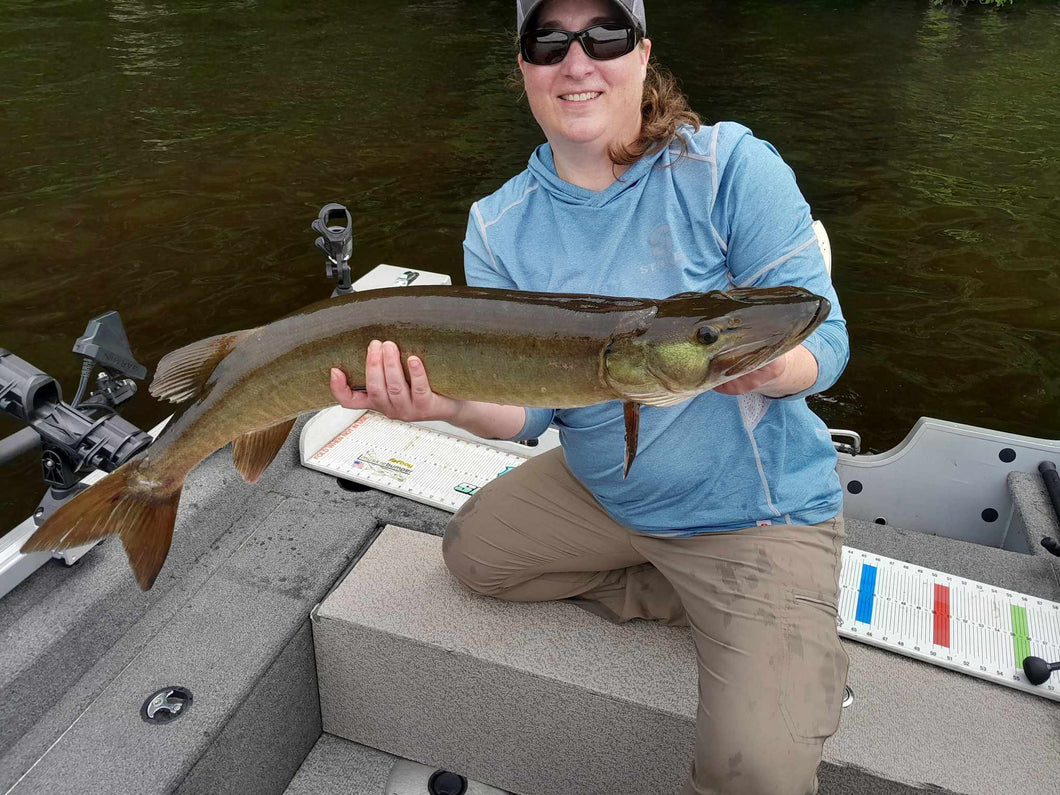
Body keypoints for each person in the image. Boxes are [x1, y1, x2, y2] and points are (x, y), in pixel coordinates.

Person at [329, 1, 849, 793]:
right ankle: (676, 589)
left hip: (752, 514)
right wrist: (447, 404)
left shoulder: (729, 167)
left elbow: (827, 338)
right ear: (525, 70)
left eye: (603, 36)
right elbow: (531, 411)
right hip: (607, 490)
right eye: (549, 41)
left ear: (642, 54)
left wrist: (766, 367)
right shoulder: (499, 224)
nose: (577, 61)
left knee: (755, 772)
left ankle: (777, 613)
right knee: (475, 553)